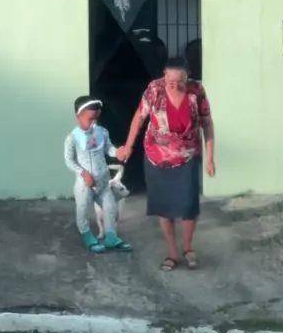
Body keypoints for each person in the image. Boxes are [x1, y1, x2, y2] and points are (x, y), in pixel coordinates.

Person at [116, 57, 215, 271]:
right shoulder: (154, 90)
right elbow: (139, 117)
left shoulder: (196, 91)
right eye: (171, 81)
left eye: (180, 82)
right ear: (164, 75)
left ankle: (188, 247)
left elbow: (207, 124)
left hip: (187, 155)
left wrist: (210, 157)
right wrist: (128, 146)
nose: (175, 86)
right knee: (164, 207)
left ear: (188, 76)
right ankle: (171, 252)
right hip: (157, 156)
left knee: (188, 205)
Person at [64, 95, 131, 253]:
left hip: (103, 182)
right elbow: (69, 160)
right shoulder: (73, 138)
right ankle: (88, 237)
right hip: (85, 184)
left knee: (110, 208)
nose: (93, 122)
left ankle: (111, 237)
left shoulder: (102, 132)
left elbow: (108, 148)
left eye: (95, 118)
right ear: (78, 116)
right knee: (83, 210)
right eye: (89, 119)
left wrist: (118, 152)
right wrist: (83, 173)